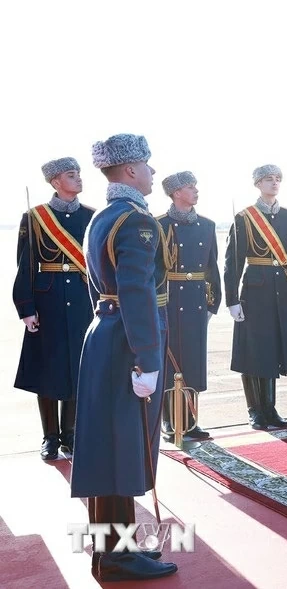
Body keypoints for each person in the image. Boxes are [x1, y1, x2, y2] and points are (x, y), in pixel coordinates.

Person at [70, 133, 177, 581]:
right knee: (120, 450)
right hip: (127, 344)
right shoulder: (136, 220)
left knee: (107, 448)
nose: (153, 173)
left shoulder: (102, 217)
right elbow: (136, 292)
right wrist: (149, 359)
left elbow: (102, 285)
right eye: (148, 165)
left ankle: (114, 547)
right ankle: (115, 554)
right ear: (131, 170)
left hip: (106, 333)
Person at [14, 157, 94, 460]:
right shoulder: (35, 217)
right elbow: (25, 266)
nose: (78, 179)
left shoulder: (91, 216)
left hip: (83, 301)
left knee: (78, 367)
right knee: (47, 369)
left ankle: (70, 435)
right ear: (55, 182)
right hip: (46, 302)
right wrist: (26, 307)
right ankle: (50, 437)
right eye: (71, 175)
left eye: (78, 174)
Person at [224, 164, 287, 430]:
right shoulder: (245, 217)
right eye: (268, 179)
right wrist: (232, 300)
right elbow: (232, 262)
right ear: (257, 183)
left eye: (278, 179)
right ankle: (255, 410)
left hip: (281, 290)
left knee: (273, 351)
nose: (274, 183)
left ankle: (270, 408)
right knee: (254, 351)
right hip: (254, 291)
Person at [156, 171, 221, 441]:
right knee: (171, 363)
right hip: (169, 301)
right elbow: (154, 269)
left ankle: (191, 422)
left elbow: (212, 267)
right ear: (175, 193)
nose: (196, 191)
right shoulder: (158, 224)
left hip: (195, 301)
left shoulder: (207, 225)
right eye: (190, 187)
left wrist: (212, 303)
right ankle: (172, 423)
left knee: (193, 362)